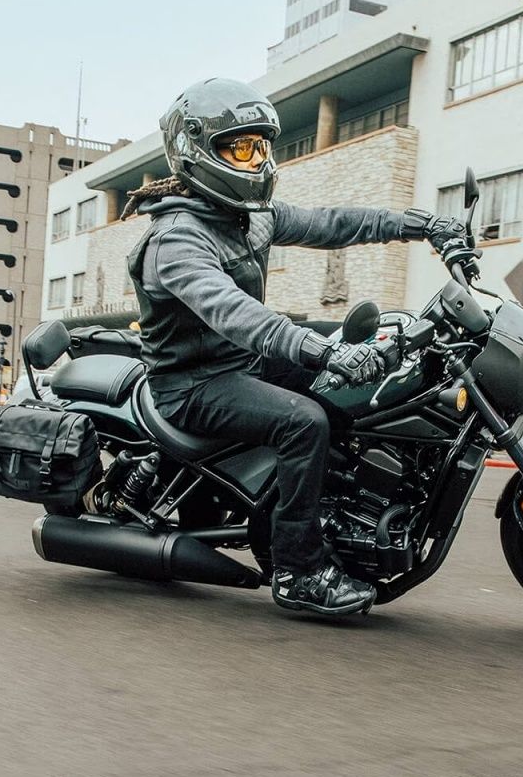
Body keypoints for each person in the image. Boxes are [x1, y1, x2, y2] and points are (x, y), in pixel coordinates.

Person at [125, 77, 467, 616]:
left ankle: (344, 514)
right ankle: (298, 569)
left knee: (366, 389)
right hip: (192, 385)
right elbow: (236, 315)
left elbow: (331, 223)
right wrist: (324, 350)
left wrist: (421, 225)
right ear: (196, 151)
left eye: (262, 146)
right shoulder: (176, 239)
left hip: (246, 365)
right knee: (304, 421)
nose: (257, 160)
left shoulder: (247, 217)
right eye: (241, 148)